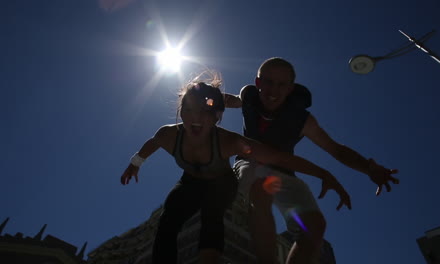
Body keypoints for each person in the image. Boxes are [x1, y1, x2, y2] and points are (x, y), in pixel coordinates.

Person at [120, 72, 351, 264]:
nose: (196, 118)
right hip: (189, 181)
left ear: (218, 117)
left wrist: (323, 173)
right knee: (168, 219)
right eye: (189, 110)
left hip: (221, 182)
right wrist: (135, 163)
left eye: (205, 112)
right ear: (181, 112)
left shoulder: (229, 142)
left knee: (213, 214)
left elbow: (278, 158)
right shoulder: (168, 135)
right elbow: (151, 144)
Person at [224, 57, 400, 264]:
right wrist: (209, 98)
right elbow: (232, 100)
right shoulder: (249, 96)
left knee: (314, 226)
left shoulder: (302, 120)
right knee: (261, 188)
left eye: (282, 85)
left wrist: (369, 168)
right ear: (258, 83)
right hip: (250, 163)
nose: (273, 91)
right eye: (268, 82)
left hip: (284, 172)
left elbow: (336, 149)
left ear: (290, 89)